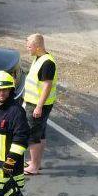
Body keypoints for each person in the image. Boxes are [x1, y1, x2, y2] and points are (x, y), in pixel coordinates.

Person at [23, 33, 56, 175]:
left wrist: (39, 106)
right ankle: (35, 162)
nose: (27, 49)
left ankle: (34, 167)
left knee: (33, 136)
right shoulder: (39, 58)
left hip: (38, 105)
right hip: (35, 103)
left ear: (37, 47)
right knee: (40, 134)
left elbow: (47, 86)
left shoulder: (47, 63)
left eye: (29, 47)